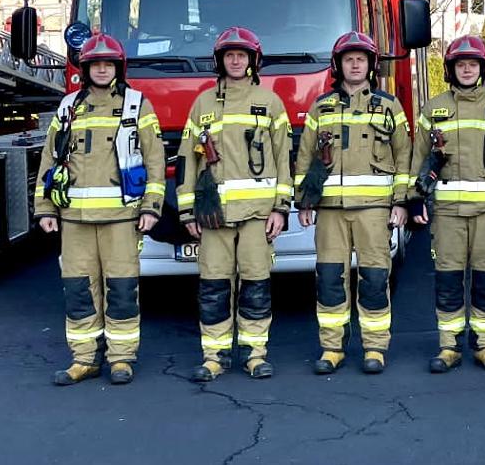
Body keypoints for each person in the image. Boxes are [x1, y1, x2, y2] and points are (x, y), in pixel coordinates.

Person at [34, 33, 166, 386]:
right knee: (79, 291)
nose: (103, 69)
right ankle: (84, 360)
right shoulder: (67, 108)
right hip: (74, 219)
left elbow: (155, 159)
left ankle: (121, 359)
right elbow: (50, 158)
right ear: (86, 68)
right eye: (96, 64)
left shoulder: (137, 105)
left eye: (109, 64)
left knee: (121, 291)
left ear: (118, 68)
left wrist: (151, 207)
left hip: (123, 220)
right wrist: (45, 208)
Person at [178, 26, 293, 382]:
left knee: (256, 286)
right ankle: (214, 356)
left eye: (241, 55)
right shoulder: (203, 104)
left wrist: (280, 208)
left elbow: (284, 158)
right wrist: (187, 210)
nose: (236, 60)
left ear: (253, 61)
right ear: (220, 61)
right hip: (214, 218)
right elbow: (188, 160)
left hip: (258, 217)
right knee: (213, 287)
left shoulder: (271, 103)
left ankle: (255, 355)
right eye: (230, 55)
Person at [295, 31, 411, 375]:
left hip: (374, 211)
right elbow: (304, 159)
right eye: (349, 59)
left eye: (361, 59)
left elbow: (404, 157)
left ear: (371, 65)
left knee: (375, 279)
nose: (356, 64)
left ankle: (375, 349)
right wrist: (304, 202)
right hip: (330, 211)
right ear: (338, 65)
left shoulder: (389, 106)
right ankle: (332, 348)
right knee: (330, 280)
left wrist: (402, 202)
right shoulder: (321, 108)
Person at [409, 35, 485, 374]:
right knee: (447, 280)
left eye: (472, 64)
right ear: (450, 69)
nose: (466, 69)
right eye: (460, 64)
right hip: (446, 214)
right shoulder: (433, 110)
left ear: (483, 68)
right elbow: (418, 159)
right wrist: (416, 199)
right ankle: (449, 347)